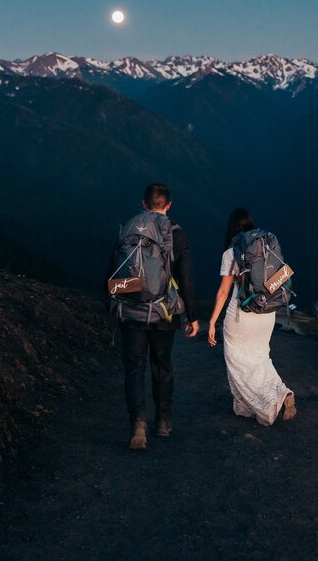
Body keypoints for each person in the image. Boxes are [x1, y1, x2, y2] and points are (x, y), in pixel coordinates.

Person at [107, 183, 200, 451]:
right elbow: (186, 279)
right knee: (162, 365)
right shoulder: (177, 234)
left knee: (134, 368)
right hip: (164, 313)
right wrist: (192, 316)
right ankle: (163, 422)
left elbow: (113, 272)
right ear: (168, 206)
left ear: (144, 204)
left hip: (131, 309)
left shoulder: (128, 228)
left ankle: (138, 422)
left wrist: (112, 304)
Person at [207, 207, 296, 426]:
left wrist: (211, 322)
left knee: (238, 361)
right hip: (267, 313)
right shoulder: (267, 245)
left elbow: (224, 291)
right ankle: (256, 402)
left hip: (242, 313)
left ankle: (270, 402)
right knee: (259, 357)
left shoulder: (232, 251)